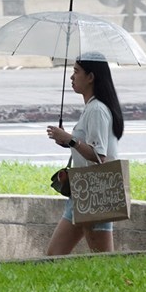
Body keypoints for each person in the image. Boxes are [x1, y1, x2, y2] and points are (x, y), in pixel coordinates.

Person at [45, 54, 124, 255]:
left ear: (91, 77)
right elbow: (87, 146)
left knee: (103, 258)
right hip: (83, 191)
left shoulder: (97, 109)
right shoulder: (92, 107)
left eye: (76, 72)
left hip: (96, 191)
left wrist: (70, 139)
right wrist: (66, 140)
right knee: (55, 255)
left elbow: (99, 156)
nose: (72, 77)